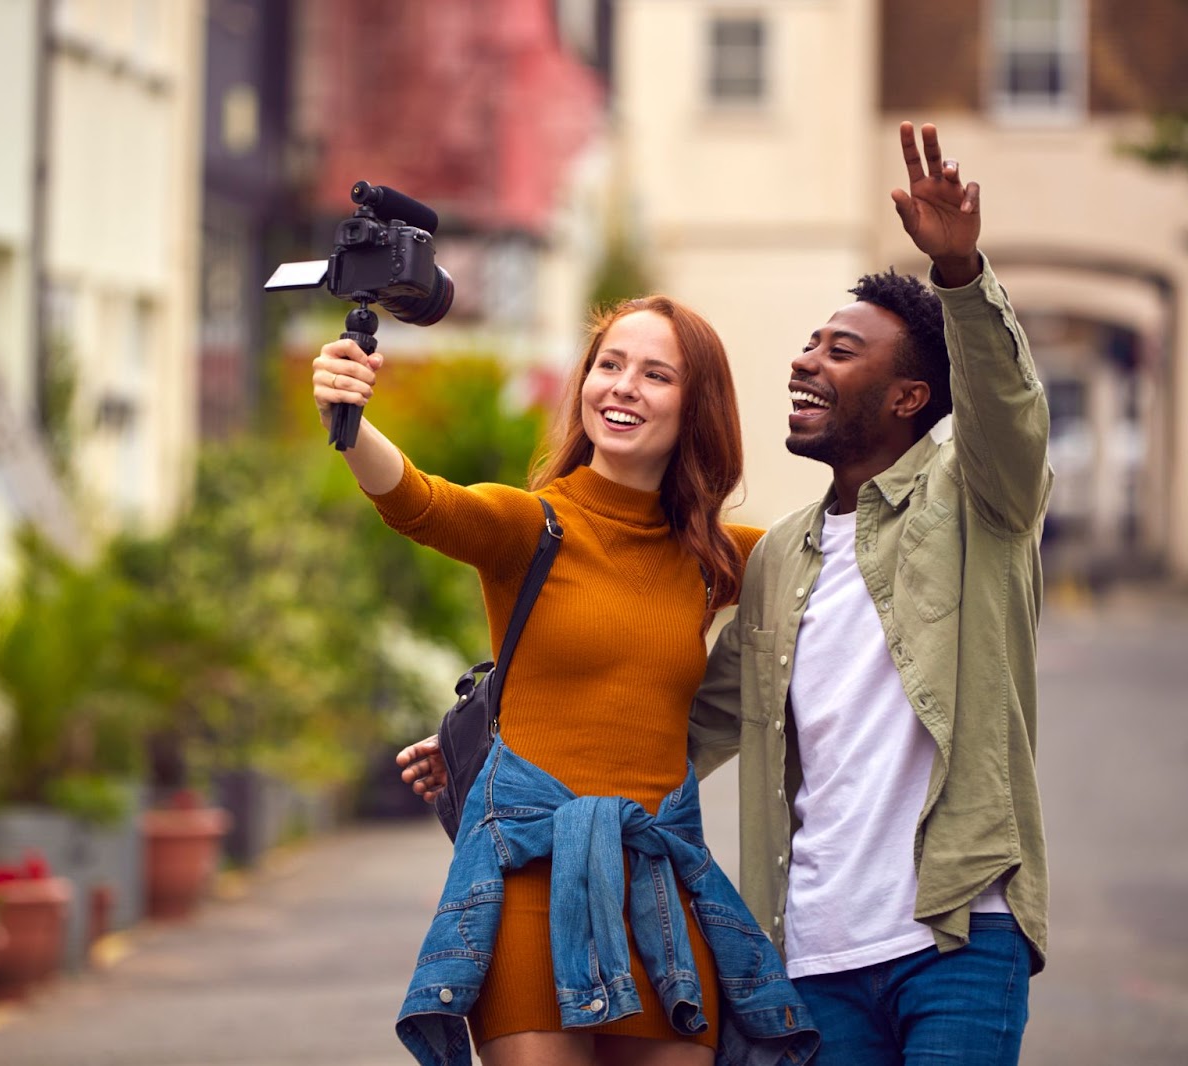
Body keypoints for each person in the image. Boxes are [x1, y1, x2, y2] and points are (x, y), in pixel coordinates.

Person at [400, 121, 1051, 1065]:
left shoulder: (977, 511)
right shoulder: (780, 558)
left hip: (956, 929)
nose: (803, 361)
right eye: (808, 344)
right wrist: (491, 746)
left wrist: (959, 275)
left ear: (910, 399)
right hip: (813, 951)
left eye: (840, 351)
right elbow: (676, 719)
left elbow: (1009, 418)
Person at [315, 295, 816, 1065]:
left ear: (697, 407)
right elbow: (418, 500)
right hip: (526, 882)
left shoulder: (716, 557)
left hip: (659, 885)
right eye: (608, 365)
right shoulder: (531, 526)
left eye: (655, 374)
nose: (621, 386)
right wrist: (349, 423)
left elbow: (841, 560)